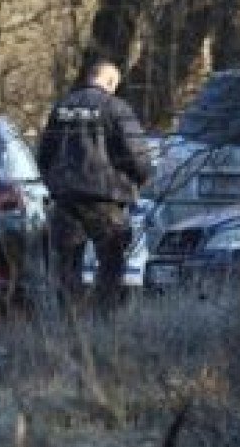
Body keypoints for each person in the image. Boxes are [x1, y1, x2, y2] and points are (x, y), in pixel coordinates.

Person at [37, 59, 155, 315]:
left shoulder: (62, 108)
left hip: (66, 198)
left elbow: (44, 154)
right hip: (106, 197)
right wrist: (142, 178)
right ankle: (105, 321)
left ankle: (71, 324)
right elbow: (137, 153)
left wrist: (53, 182)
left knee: (68, 264)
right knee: (111, 262)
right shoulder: (116, 108)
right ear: (111, 82)